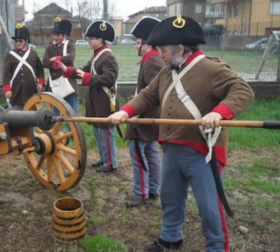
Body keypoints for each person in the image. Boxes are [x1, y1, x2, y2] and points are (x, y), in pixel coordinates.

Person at [109, 16, 254, 251]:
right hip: (172, 146)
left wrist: (219, 112)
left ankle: (217, 247)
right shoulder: (167, 72)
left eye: (163, 50)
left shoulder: (211, 68)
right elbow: (147, 95)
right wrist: (125, 111)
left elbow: (242, 90)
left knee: (209, 206)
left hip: (203, 150)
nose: (160, 54)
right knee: (170, 197)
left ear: (179, 48)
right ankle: (170, 237)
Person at [58, 20, 119, 173]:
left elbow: (109, 78)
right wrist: (68, 70)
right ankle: (104, 158)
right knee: (98, 130)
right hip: (96, 99)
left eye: (92, 38)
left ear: (100, 39)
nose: (89, 41)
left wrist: (87, 77)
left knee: (105, 132)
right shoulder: (97, 55)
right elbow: (84, 70)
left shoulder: (108, 56)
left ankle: (111, 163)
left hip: (105, 101)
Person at [125, 17, 164, 208]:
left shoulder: (152, 62)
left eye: (138, 43)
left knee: (139, 154)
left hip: (146, 118)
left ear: (147, 43)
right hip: (150, 117)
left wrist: (134, 113)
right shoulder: (152, 59)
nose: (135, 47)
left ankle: (141, 193)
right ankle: (154, 189)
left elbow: (153, 93)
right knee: (151, 153)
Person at [2, 23, 45, 109]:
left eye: (20, 41)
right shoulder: (10, 55)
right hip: (16, 93)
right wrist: (7, 89)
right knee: (16, 117)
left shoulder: (33, 53)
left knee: (32, 117)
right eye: (16, 41)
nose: (18, 43)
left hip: (31, 91)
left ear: (26, 41)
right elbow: (5, 74)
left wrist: (40, 83)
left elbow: (40, 69)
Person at [43, 17, 78, 113]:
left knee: (71, 115)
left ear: (64, 35)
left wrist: (55, 59)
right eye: (54, 34)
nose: (55, 37)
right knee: (55, 116)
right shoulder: (50, 47)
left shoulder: (70, 45)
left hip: (69, 85)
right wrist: (61, 61)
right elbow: (45, 62)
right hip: (55, 86)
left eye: (58, 35)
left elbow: (71, 58)